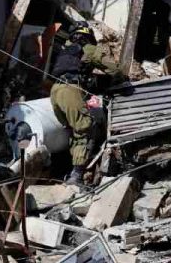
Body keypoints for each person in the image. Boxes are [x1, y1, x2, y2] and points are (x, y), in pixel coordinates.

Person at [49, 22, 124, 185]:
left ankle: (67, 169)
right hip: (70, 90)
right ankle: (76, 176)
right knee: (84, 128)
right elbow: (115, 69)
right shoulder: (88, 48)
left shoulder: (65, 50)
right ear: (87, 35)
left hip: (55, 92)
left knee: (73, 130)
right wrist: (116, 81)